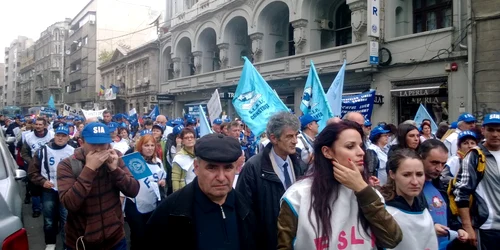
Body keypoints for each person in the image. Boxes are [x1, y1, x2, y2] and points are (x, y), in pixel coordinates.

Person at [278, 121, 403, 249]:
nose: (361, 152)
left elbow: (392, 239)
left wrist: (362, 190)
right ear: (327, 152)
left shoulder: (370, 194)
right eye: (350, 146)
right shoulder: (297, 196)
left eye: (361, 146)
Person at [146, 133, 257, 249]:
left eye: (228, 167)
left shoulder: (246, 208)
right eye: (212, 167)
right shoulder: (170, 212)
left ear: (236, 168)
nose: (221, 177)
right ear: (197, 167)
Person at [57, 122, 140, 250]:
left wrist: (115, 170)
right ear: (81, 142)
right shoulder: (67, 165)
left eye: (102, 144)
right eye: (93, 144)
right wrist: (89, 169)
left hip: (115, 239)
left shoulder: (116, 156)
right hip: (82, 242)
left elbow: (133, 190)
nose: (99, 149)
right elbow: (70, 203)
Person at [236, 111, 305, 250]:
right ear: (273, 138)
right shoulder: (253, 168)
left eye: (296, 135)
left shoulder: (300, 164)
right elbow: (244, 214)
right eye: (289, 136)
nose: (295, 141)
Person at [453, 113, 500, 249]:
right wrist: (467, 226)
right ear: (483, 130)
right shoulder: (475, 155)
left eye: (499, 130)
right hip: (487, 227)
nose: (495, 134)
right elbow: (462, 192)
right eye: (491, 130)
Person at [28, 125, 75, 250]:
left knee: (66, 220)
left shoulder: (73, 151)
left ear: (68, 138)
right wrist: (42, 182)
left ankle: (67, 245)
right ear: (54, 136)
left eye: (63, 136)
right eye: (58, 135)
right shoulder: (42, 151)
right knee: (49, 218)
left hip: (66, 190)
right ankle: (50, 242)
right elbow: (32, 172)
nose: (60, 138)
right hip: (49, 190)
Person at [380, 149, 437, 250]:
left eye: (419, 174)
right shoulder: (383, 210)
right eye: (407, 175)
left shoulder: (422, 206)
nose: (415, 182)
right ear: (392, 174)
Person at [418, 139, 469, 250]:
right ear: (420, 158)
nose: (439, 168)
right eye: (434, 163)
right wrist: (430, 227)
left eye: (443, 164)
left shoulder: (440, 186)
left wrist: (458, 229)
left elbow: (448, 216)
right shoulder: (411, 188)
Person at [124, 134, 166, 250]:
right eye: (146, 145)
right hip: (135, 204)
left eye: (152, 145)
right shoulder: (133, 162)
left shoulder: (158, 162)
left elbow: (162, 177)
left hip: (152, 203)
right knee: (138, 238)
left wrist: (162, 182)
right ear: (140, 146)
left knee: (150, 236)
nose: (150, 148)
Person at [22, 117, 55, 217]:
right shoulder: (28, 137)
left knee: (49, 187)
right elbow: (24, 153)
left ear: (45, 126)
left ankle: (50, 208)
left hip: (49, 166)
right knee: (35, 189)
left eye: (40, 124)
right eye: (36, 124)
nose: (38, 126)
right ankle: (36, 209)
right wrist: (32, 162)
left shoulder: (52, 135)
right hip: (35, 167)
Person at [171, 127, 197, 192]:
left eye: (191, 137)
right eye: (186, 138)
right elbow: (175, 179)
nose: (189, 139)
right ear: (182, 141)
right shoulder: (178, 157)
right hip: (185, 190)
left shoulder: (200, 154)